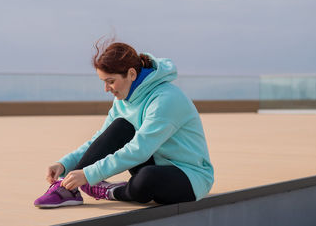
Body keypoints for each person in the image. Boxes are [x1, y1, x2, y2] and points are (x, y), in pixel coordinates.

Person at [34, 39, 214, 208]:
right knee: (120, 126)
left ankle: (112, 191)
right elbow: (101, 141)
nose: (106, 89)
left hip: (190, 177)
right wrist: (65, 165)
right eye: (103, 82)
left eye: (110, 81)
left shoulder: (166, 99)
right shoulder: (123, 100)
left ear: (132, 74)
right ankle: (67, 189)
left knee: (146, 179)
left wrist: (90, 175)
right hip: (154, 162)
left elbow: (140, 149)